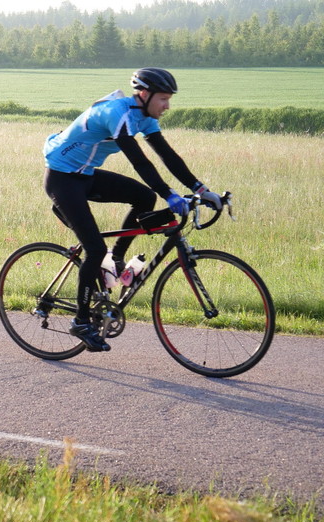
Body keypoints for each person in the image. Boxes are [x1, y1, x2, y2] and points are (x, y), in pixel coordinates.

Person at [43, 67, 222, 352]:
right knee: (94, 250)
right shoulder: (116, 113)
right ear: (145, 94)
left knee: (144, 197)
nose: (167, 106)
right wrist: (169, 194)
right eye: (163, 99)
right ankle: (80, 321)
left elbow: (166, 155)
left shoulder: (144, 116)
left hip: (85, 175)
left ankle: (117, 257)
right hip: (63, 179)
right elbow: (140, 161)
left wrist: (200, 189)